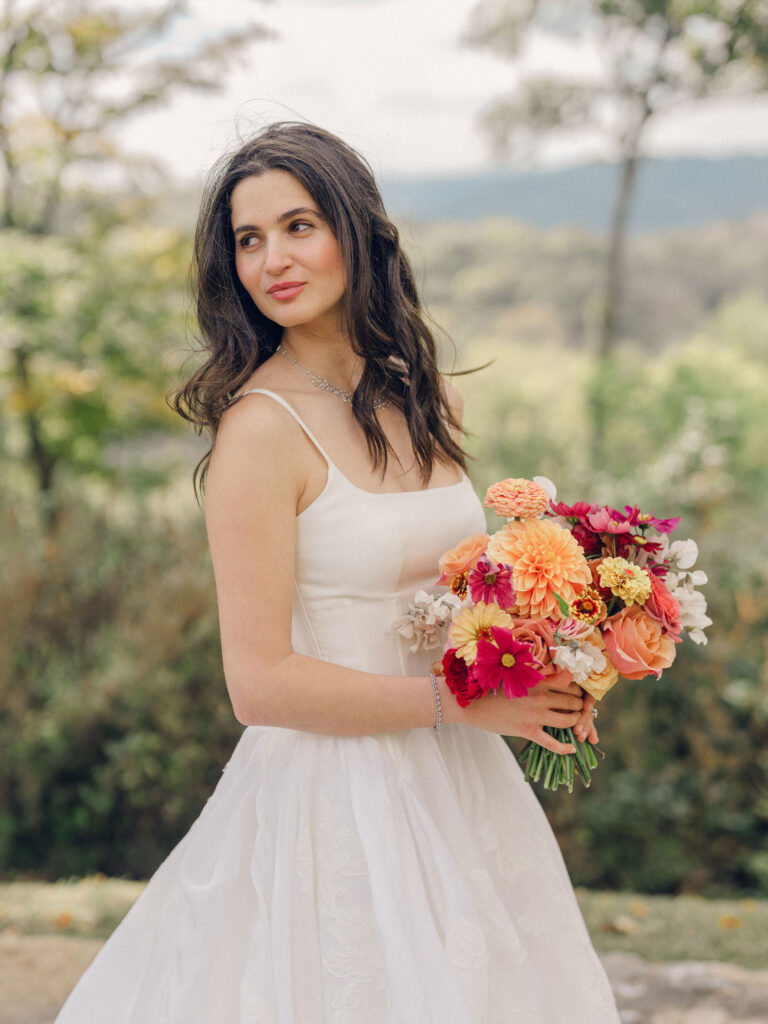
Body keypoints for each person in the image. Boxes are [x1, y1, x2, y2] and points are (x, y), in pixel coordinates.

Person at [54, 121, 620, 1023]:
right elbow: (259, 683)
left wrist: (554, 659)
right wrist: (460, 704)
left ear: (357, 231)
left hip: (462, 780)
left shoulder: (428, 396)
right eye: (248, 239)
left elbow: (457, 594)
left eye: (298, 225)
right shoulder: (260, 434)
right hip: (336, 803)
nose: (271, 258)